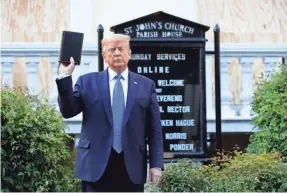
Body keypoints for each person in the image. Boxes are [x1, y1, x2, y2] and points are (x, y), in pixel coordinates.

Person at [56, 33, 164, 192]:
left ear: (129, 54)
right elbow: (68, 111)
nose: (117, 53)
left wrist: (156, 164)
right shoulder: (87, 82)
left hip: (131, 168)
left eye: (121, 49)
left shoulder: (146, 85)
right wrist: (65, 76)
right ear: (104, 56)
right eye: (112, 50)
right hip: (95, 167)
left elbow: (154, 129)